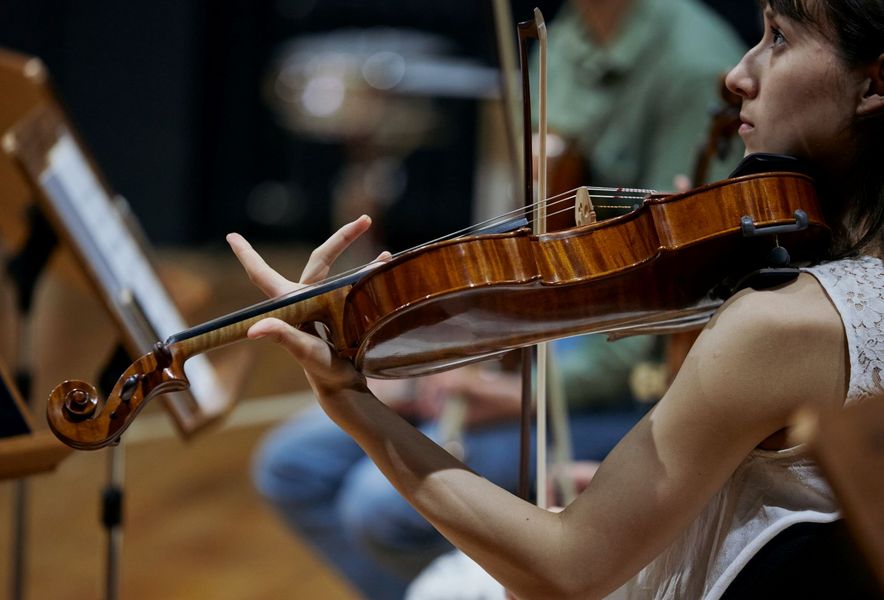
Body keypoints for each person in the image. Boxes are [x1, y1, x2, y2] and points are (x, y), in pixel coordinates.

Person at [230, 0, 884, 597]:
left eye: (778, 37)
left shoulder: (781, 322)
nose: (738, 74)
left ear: (874, 84)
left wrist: (349, 399)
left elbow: (569, 569)